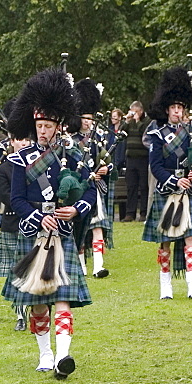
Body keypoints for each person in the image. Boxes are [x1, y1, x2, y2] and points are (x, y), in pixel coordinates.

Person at [6, 68, 95, 378]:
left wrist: (76, 210)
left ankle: (64, 355)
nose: (42, 131)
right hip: (35, 234)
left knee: (63, 299)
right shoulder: (21, 158)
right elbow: (15, 199)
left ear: (58, 126)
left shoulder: (73, 156)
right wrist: (37, 217)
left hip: (64, 234)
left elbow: (91, 191)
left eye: (47, 126)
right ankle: (45, 353)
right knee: (40, 303)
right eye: (39, 125)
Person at [142, 67, 192, 300]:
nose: (177, 112)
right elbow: (155, 166)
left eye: (181, 108)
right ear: (166, 109)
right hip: (167, 189)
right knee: (166, 240)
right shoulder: (158, 134)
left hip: (188, 189)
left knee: (191, 236)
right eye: (173, 108)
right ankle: (165, 284)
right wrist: (173, 180)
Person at [70, 79, 116, 278]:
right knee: (80, 230)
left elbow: (107, 160)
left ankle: (98, 266)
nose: (87, 121)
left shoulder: (97, 140)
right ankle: (81, 267)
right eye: (83, 117)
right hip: (79, 189)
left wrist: (105, 169)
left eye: (89, 118)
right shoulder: (70, 141)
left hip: (95, 189)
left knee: (97, 227)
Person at [0, 119, 31, 331]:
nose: (23, 143)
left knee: (31, 270)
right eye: (19, 140)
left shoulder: (37, 164)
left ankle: (30, 307)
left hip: (33, 223)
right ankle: (20, 314)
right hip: (12, 224)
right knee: (15, 272)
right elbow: (5, 195)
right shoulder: (4, 169)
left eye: (26, 139)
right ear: (12, 141)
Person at [122, 101, 148, 221]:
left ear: (141, 111)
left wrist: (138, 121)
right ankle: (130, 213)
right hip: (130, 158)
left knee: (143, 186)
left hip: (143, 158)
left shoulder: (146, 122)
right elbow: (122, 134)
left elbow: (143, 134)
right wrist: (127, 121)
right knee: (131, 186)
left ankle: (143, 212)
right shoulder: (129, 122)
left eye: (136, 111)